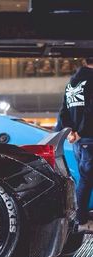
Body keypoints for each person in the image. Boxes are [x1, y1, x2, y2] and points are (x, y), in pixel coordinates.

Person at [57, 57, 93, 231]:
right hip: (89, 138)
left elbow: (63, 112)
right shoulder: (91, 80)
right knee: (86, 181)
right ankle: (81, 221)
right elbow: (90, 110)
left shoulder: (72, 83)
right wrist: (82, 131)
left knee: (85, 180)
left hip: (79, 141)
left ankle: (81, 220)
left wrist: (71, 131)